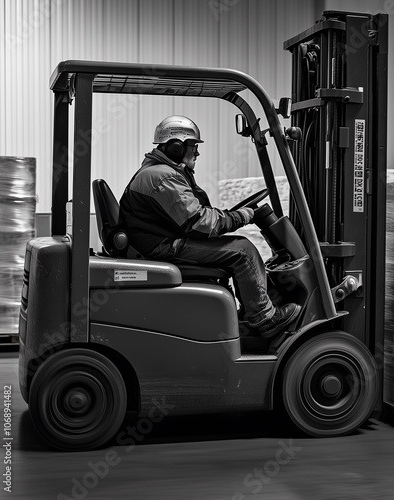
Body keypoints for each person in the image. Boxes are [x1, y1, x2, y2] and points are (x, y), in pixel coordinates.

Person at [119, 115, 301, 340]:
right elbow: (200, 222)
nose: (196, 152)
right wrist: (240, 217)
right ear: (176, 147)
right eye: (193, 146)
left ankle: (250, 312)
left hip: (162, 240)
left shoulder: (160, 173)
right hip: (165, 246)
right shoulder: (162, 177)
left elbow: (194, 216)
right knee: (243, 250)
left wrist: (232, 216)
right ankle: (264, 318)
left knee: (239, 247)